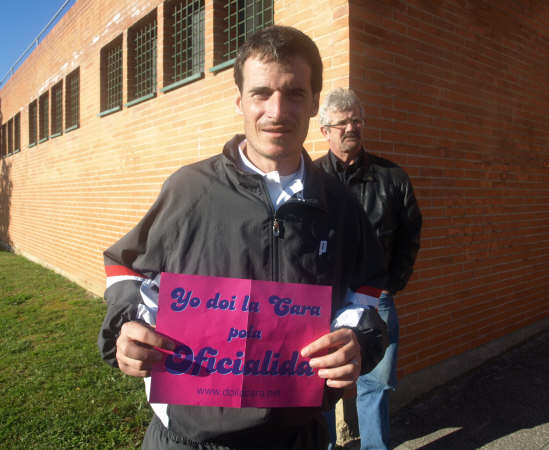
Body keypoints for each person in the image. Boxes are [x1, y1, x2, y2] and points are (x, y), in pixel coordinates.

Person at [98, 26, 388, 450]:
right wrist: (125, 327)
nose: (277, 110)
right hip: (187, 439)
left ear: (312, 104)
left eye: (293, 94)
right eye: (261, 93)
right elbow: (124, 264)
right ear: (239, 101)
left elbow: (365, 293)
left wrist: (358, 339)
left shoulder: (339, 204)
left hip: (297, 437)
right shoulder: (189, 189)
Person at [316, 88, 422, 450]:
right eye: (342, 122)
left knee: (374, 384)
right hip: (323, 302)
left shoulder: (391, 178)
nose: (350, 127)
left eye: (356, 120)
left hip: (376, 300)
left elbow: (411, 233)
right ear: (324, 131)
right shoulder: (310, 179)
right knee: (319, 383)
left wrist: (392, 284)